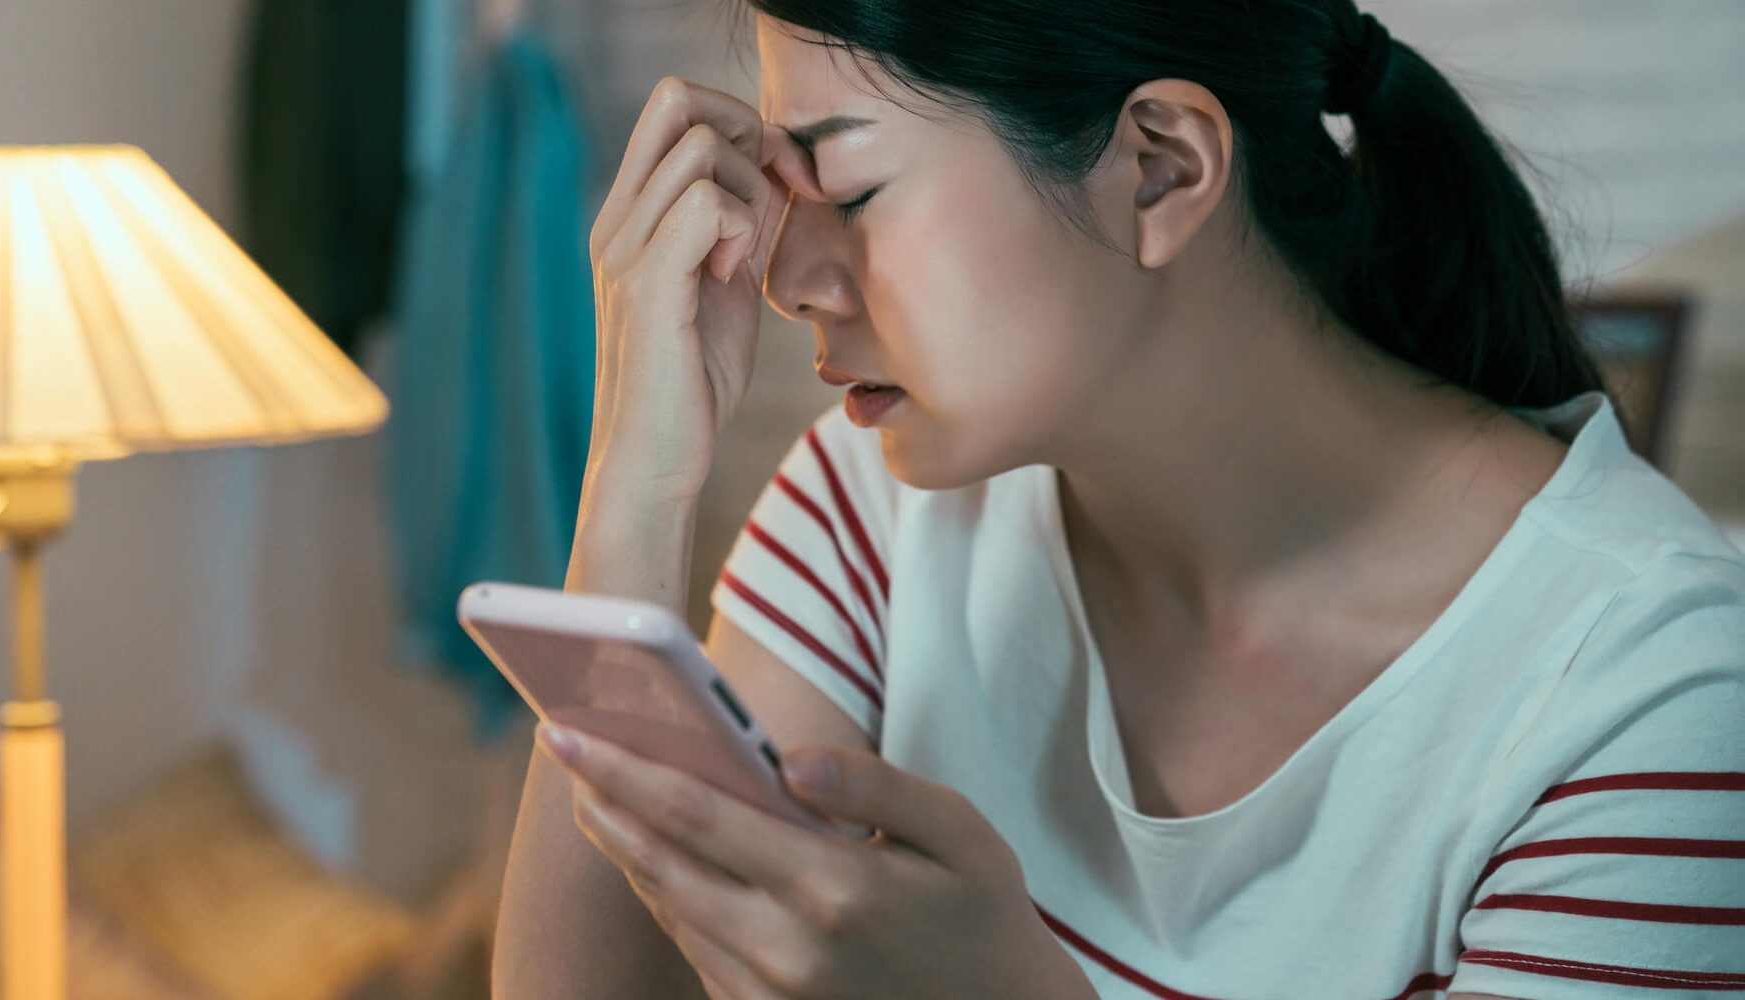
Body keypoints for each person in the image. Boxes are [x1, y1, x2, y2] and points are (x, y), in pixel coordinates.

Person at [492, 1, 1745, 996]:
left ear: (1158, 168)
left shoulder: (1644, 699)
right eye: (783, 193)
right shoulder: (866, 513)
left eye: (853, 192)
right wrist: (634, 491)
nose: (786, 278)